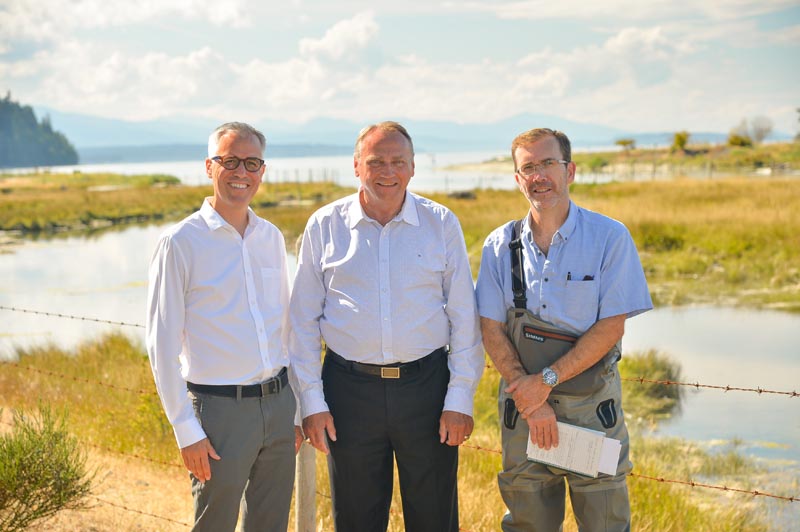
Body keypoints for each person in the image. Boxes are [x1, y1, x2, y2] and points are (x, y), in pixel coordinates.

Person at [289, 121, 484, 532]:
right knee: (356, 520)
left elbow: (464, 316)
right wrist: (312, 402)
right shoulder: (324, 225)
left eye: (398, 161)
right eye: (376, 161)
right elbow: (302, 322)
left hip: (427, 390)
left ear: (413, 168)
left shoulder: (441, 223)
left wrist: (460, 397)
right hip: (348, 392)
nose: (387, 171)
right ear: (357, 166)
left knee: (434, 518)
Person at [476, 128, 653, 531]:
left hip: (592, 413)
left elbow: (611, 327)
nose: (539, 176)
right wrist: (532, 399)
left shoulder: (609, 237)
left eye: (547, 164)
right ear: (518, 179)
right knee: (528, 525)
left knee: (604, 523)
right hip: (524, 417)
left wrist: (547, 381)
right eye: (528, 168)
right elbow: (490, 328)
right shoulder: (498, 246)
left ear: (569, 170)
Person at [145, 122, 303, 532]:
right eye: (229, 161)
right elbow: (161, 347)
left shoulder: (270, 237)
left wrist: (298, 406)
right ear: (208, 167)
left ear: (262, 171)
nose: (241, 172)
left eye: (251, 163)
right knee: (213, 525)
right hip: (218, 414)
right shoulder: (180, 243)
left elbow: (286, 329)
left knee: (270, 526)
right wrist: (185, 430)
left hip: (280, 404)